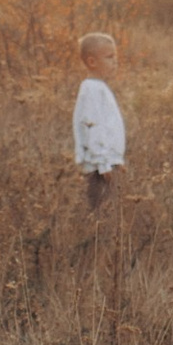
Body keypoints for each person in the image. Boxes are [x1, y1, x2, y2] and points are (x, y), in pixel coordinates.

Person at [72, 28, 126, 213]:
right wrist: (103, 163)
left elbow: (109, 127)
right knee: (99, 210)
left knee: (109, 209)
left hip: (107, 163)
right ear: (92, 61)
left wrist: (116, 160)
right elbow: (92, 128)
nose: (115, 62)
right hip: (99, 167)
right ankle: (95, 239)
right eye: (109, 57)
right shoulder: (91, 89)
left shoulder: (100, 88)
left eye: (114, 57)